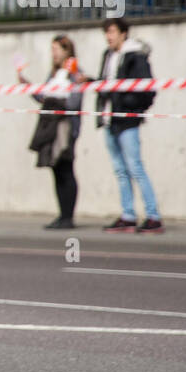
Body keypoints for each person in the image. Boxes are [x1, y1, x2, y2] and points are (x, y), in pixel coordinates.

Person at [96, 19, 163, 233]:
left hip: (127, 120)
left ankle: (153, 216)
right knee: (120, 170)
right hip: (109, 119)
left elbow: (147, 89)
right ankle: (128, 215)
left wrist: (129, 106)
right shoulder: (108, 56)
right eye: (106, 32)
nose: (109, 36)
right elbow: (106, 84)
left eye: (112, 31)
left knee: (136, 168)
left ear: (124, 33)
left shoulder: (136, 56)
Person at [19, 36, 85, 229]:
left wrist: (57, 103)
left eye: (56, 49)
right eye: (52, 49)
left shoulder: (75, 73)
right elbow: (44, 98)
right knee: (56, 170)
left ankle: (68, 217)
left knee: (66, 169)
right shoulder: (53, 73)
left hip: (66, 126)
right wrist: (28, 85)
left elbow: (74, 102)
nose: (53, 53)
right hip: (52, 125)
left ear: (67, 50)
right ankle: (62, 215)